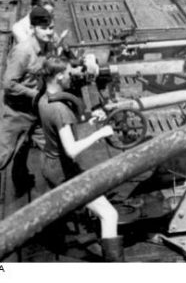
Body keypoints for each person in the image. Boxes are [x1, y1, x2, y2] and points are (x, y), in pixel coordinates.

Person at [0, 6, 56, 226]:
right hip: (14, 112)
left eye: (51, 27)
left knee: (49, 146)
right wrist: (36, 95)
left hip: (35, 109)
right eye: (44, 28)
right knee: (0, 159)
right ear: (33, 28)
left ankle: (22, 178)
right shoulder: (23, 51)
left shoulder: (49, 45)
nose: (49, 32)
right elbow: (8, 84)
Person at [37, 55, 123, 262]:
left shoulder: (44, 98)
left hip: (49, 163)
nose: (71, 77)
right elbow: (72, 150)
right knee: (109, 214)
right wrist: (100, 134)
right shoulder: (60, 110)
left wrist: (92, 119)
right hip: (63, 170)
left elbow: (61, 131)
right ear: (58, 76)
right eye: (67, 73)